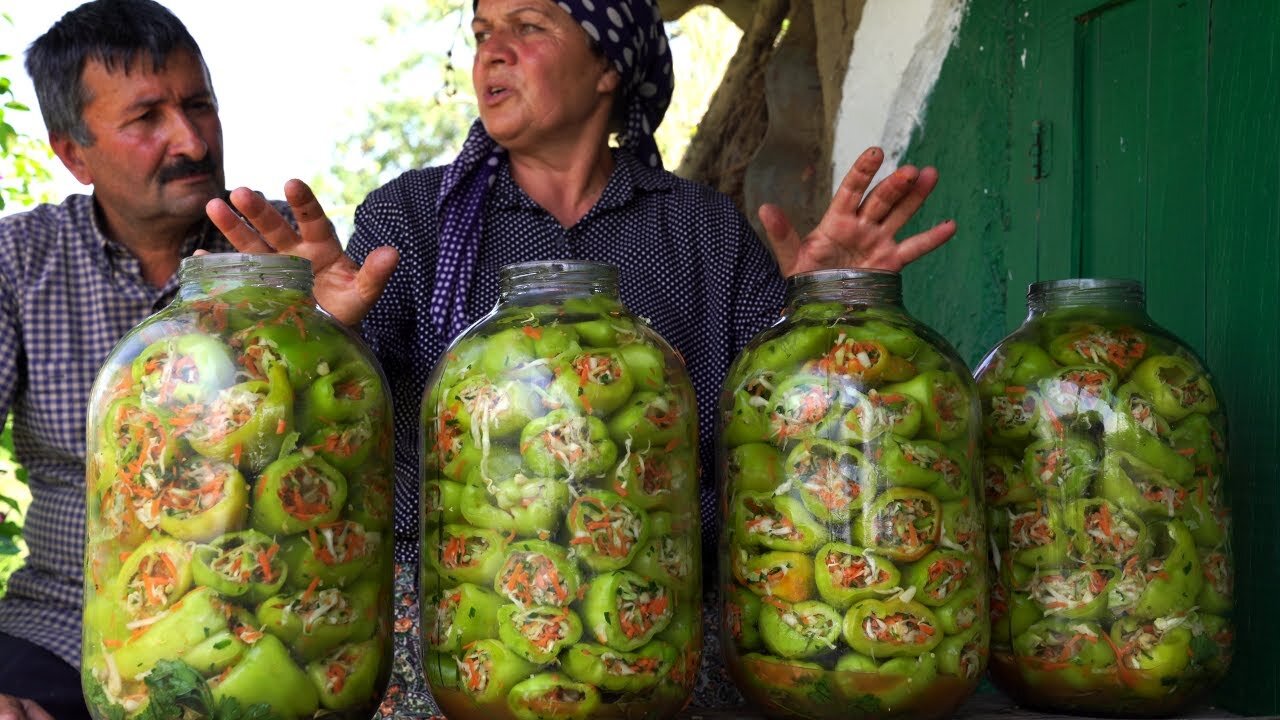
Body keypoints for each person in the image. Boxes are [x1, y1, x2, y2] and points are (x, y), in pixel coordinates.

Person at [208, 0, 954, 712]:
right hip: (452, 626)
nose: (491, 52)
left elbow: (786, 426)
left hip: (656, 619)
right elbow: (330, 437)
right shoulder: (411, 218)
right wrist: (317, 330)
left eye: (528, 27)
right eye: (481, 33)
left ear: (608, 67)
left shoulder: (703, 231)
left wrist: (824, 310)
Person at [0, 2, 293, 718]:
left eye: (200, 106)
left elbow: (349, 477)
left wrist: (321, 331)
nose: (191, 140)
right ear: (72, 152)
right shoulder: (17, 262)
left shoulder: (282, 260)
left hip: (257, 637)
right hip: (59, 635)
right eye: (146, 119)